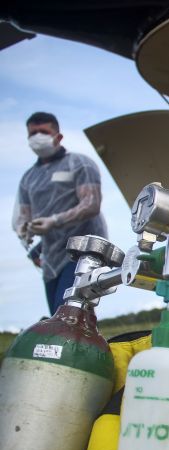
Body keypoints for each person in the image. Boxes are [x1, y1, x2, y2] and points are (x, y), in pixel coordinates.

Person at [12, 112, 108, 314]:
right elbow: (22, 216)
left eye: (43, 132)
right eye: (33, 133)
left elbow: (91, 204)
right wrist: (24, 230)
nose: (37, 137)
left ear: (58, 136)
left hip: (84, 250)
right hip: (52, 258)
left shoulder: (80, 164)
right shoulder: (29, 178)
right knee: (58, 316)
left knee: (70, 312)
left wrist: (54, 221)